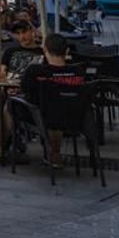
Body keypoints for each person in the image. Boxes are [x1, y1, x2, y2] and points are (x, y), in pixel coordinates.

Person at [18, 33, 89, 167]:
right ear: (67, 51)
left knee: (11, 105)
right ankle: (55, 153)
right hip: (74, 118)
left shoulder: (36, 71)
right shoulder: (78, 72)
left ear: (45, 50)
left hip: (42, 118)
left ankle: (3, 147)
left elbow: (24, 89)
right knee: (58, 107)